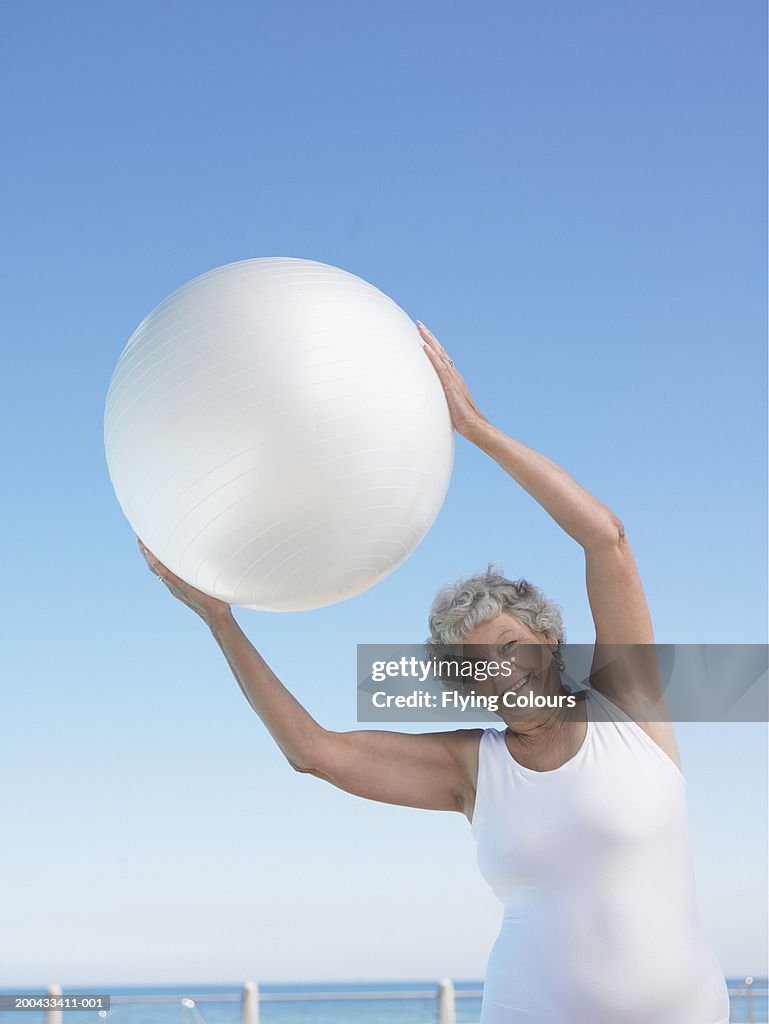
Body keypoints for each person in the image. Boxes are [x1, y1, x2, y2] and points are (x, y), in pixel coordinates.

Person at [137, 322, 730, 1024]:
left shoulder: (629, 707)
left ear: (548, 639)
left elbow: (606, 538)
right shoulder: (469, 765)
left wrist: (474, 428)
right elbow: (313, 752)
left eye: (511, 645)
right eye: (477, 666)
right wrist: (219, 619)